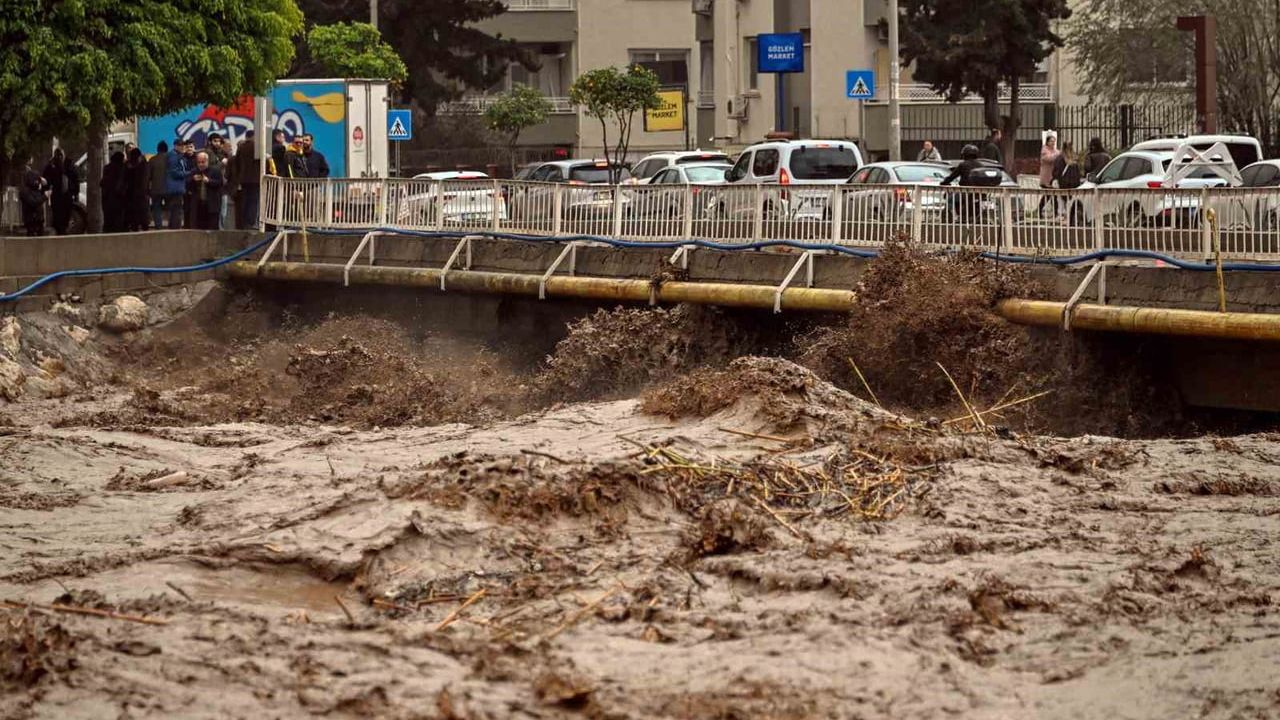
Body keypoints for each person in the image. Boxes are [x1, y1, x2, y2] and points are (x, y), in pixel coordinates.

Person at [230, 130, 261, 229]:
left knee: (245, 201)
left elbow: (237, 163)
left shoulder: (241, 148)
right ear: (253, 137)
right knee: (253, 201)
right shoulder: (257, 147)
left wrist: (239, 177)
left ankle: (244, 223)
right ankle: (251, 222)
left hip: (243, 179)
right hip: (255, 179)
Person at [185, 151, 224, 230]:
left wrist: (209, 181)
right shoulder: (194, 171)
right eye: (199, 162)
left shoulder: (215, 170)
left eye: (203, 162)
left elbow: (220, 183)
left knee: (212, 228)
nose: (201, 164)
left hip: (211, 205)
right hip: (198, 205)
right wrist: (193, 179)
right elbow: (187, 185)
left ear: (207, 161)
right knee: (198, 228)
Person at [42, 149, 77, 235]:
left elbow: (75, 178)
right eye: (58, 155)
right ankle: (59, 231)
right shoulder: (52, 165)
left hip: (67, 193)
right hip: (57, 193)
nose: (60, 157)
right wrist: (46, 189)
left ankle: (64, 229)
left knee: (67, 214)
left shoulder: (69, 164)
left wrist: (75, 193)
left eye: (61, 155)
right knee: (57, 215)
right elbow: (46, 178)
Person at [164, 140, 192, 229]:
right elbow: (175, 173)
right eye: (180, 146)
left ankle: (174, 228)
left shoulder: (178, 156)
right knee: (176, 210)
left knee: (175, 210)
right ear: (175, 146)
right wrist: (189, 173)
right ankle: (175, 229)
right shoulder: (173, 156)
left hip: (177, 187)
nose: (183, 148)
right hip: (175, 187)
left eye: (183, 146)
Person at [19, 157, 48, 237]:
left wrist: (43, 183)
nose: (37, 182)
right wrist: (45, 197)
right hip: (31, 220)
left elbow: (44, 185)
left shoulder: (36, 189)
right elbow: (33, 202)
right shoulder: (25, 191)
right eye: (36, 179)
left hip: (39, 220)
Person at [100, 151, 128, 233]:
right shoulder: (123, 168)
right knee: (118, 221)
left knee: (108, 220)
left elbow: (102, 183)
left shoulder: (107, 168)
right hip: (118, 198)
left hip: (107, 198)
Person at [124, 147, 150, 231]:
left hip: (133, 195)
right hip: (141, 195)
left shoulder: (129, 166)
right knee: (143, 217)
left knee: (135, 218)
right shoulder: (144, 165)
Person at [148, 141, 170, 229]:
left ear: (157, 149)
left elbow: (148, 176)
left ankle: (158, 226)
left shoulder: (152, 160)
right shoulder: (170, 159)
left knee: (157, 208)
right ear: (167, 149)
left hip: (156, 189)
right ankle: (171, 225)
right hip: (168, 188)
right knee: (169, 207)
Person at [1038, 134, 1061, 217]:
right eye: (1051, 141)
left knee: (1053, 196)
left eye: (1054, 141)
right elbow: (1049, 158)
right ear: (1047, 142)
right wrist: (1057, 155)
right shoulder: (1044, 150)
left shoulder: (1056, 151)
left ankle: (1055, 213)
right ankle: (1040, 210)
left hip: (1053, 177)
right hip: (1046, 177)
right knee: (1048, 195)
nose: (1053, 143)